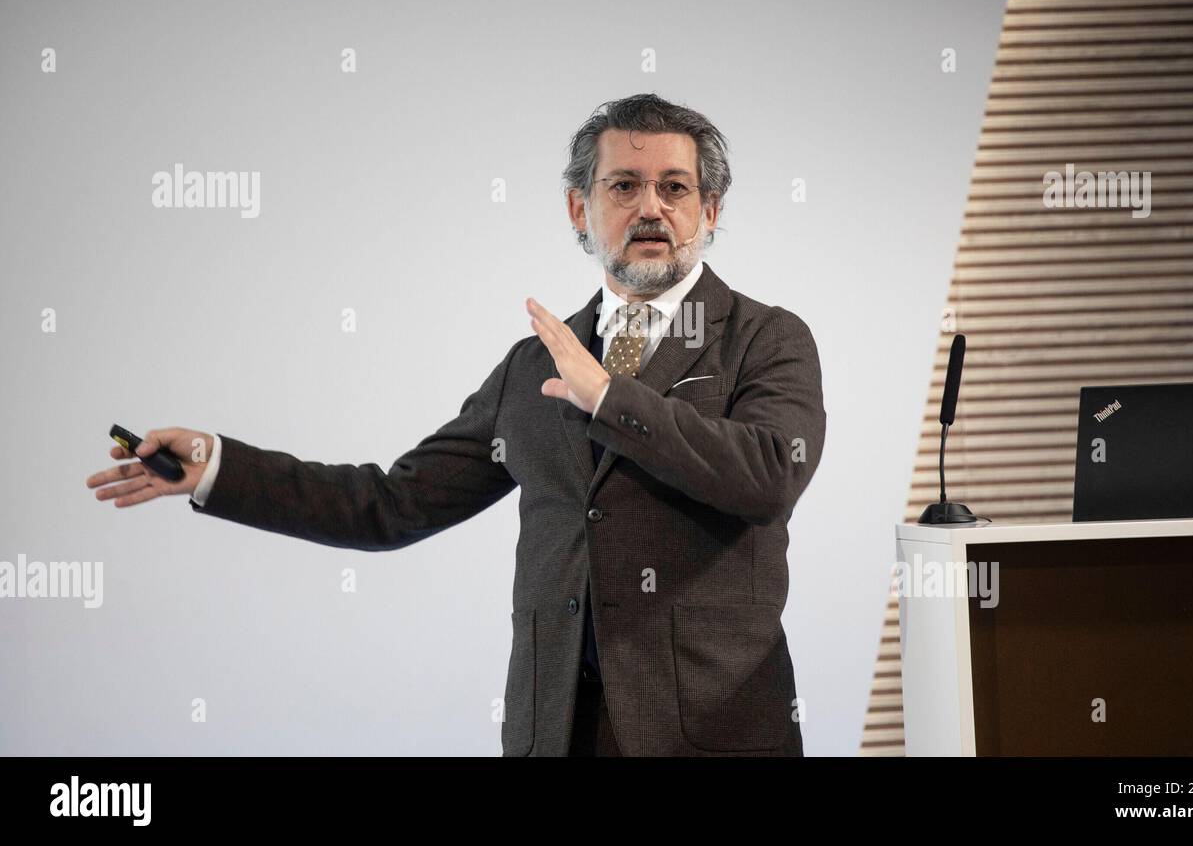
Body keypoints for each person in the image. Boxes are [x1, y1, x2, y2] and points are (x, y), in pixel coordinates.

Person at [85, 93, 826, 756]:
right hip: (557, 729)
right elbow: (391, 504)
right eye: (623, 186)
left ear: (711, 211)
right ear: (580, 210)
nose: (651, 208)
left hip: (712, 733)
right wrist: (219, 466)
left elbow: (768, 475)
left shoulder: (764, 338)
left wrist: (607, 398)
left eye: (675, 188)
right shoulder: (530, 365)